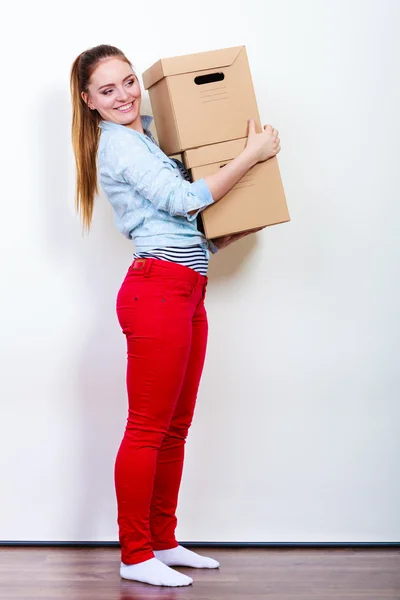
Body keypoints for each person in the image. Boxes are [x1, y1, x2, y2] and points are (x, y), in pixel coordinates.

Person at [70, 44, 281, 587]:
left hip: (185, 289)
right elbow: (183, 200)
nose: (123, 95)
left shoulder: (146, 136)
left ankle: (162, 540)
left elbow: (178, 229)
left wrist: (226, 235)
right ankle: (135, 552)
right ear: (90, 102)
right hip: (156, 292)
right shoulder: (119, 145)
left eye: (128, 82)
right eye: (107, 90)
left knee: (174, 427)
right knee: (147, 428)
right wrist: (252, 155)